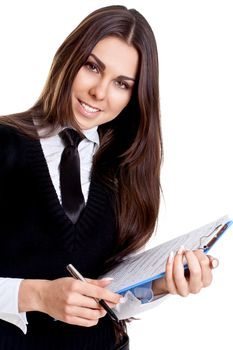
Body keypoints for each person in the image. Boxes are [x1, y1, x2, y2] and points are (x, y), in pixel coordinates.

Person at [0, 5, 219, 350]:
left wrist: (162, 284)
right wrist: (36, 295)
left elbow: (107, 299)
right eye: (92, 67)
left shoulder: (123, 170)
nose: (99, 93)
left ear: (135, 96)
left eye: (121, 83)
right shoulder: (4, 143)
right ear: (68, 60)